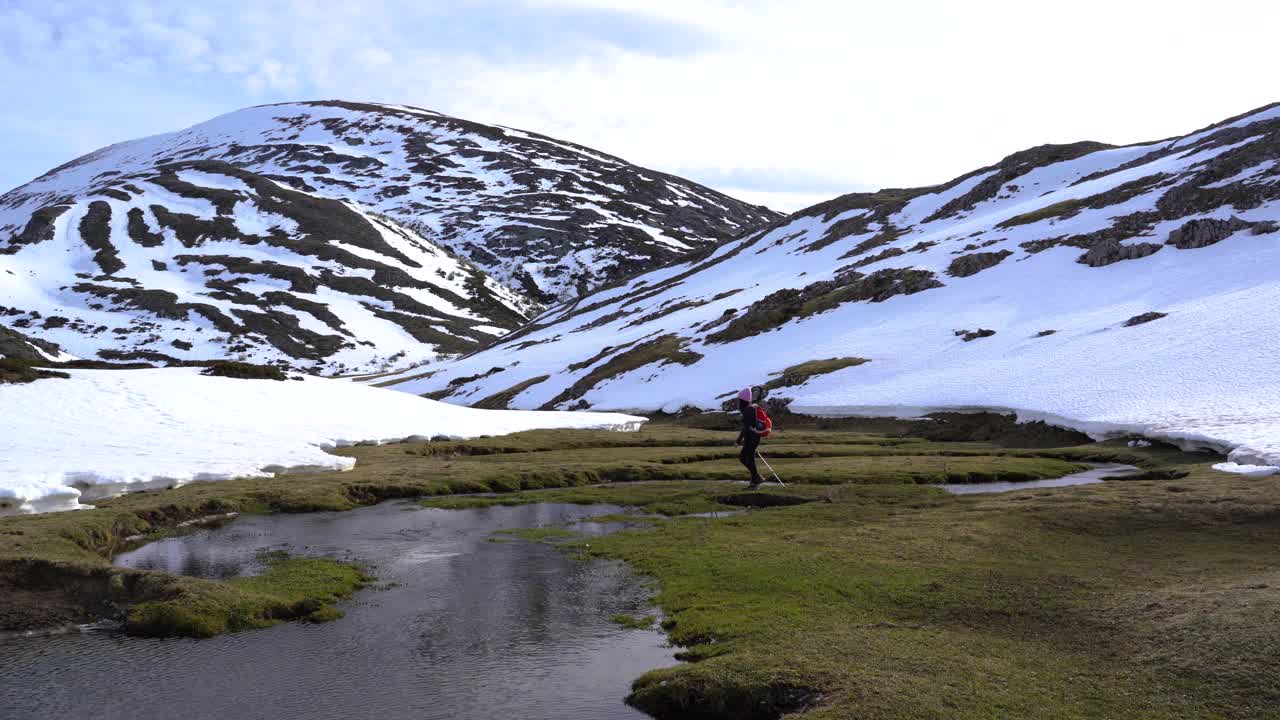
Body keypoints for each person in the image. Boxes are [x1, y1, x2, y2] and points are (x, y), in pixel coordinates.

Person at [734, 387, 764, 489]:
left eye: (739, 400)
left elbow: (746, 428)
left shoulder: (748, 410)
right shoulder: (751, 409)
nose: (738, 402)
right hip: (754, 437)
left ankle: (756, 478)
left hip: (751, 438)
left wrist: (739, 441)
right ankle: (754, 481)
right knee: (748, 458)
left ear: (743, 401)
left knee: (744, 458)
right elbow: (747, 427)